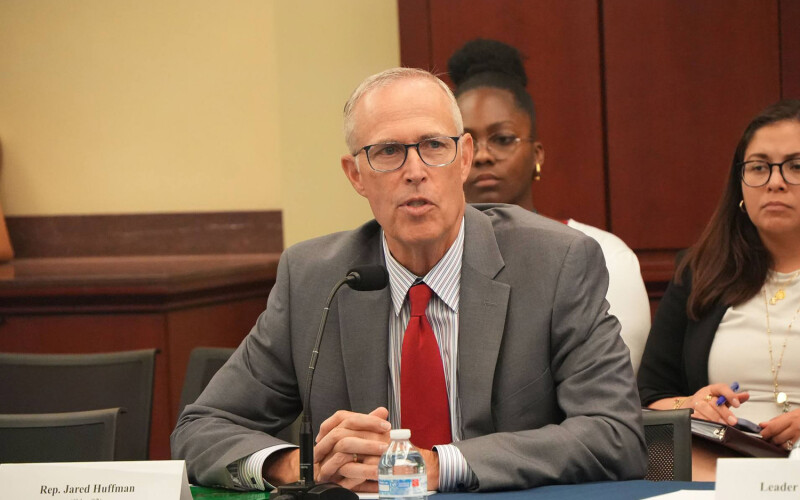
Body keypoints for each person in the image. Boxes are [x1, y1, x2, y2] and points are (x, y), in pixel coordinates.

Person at [172, 67, 646, 492]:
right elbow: (202, 427)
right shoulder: (315, 278)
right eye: (389, 152)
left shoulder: (555, 263)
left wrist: (438, 465)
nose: (415, 172)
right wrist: (302, 466)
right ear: (356, 175)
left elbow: (614, 433)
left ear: (464, 159)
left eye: (434, 146)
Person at [447, 39, 651, 374]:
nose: (482, 156)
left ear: (537, 155)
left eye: (502, 139)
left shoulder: (603, 254)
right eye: (466, 143)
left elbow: (611, 387)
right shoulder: (423, 258)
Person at [638, 100, 800, 471]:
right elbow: (648, 397)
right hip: (721, 470)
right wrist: (692, 405)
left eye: (796, 166)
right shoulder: (701, 272)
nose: (775, 181)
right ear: (740, 184)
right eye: (759, 167)